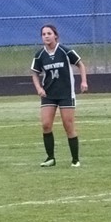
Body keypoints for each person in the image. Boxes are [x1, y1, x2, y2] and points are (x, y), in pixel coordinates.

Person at [30, 24, 88, 168]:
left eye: (49, 33)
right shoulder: (40, 55)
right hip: (49, 94)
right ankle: (50, 158)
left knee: (68, 125)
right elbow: (34, 73)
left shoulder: (65, 51)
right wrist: (39, 88)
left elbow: (80, 64)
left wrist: (84, 81)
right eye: (44, 34)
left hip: (65, 94)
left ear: (55, 35)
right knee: (46, 125)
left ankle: (75, 160)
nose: (46, 36)